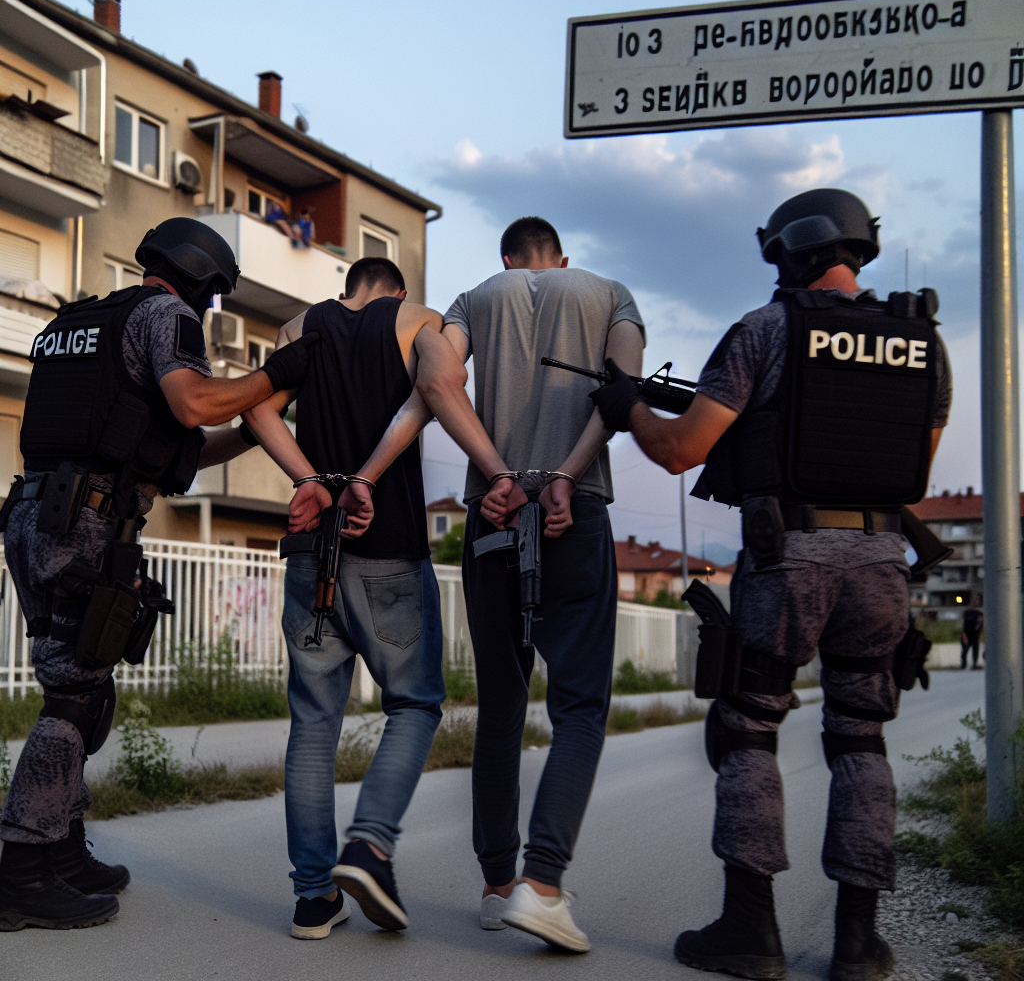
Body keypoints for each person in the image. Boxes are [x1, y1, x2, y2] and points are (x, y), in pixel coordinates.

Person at [590, 189, 951, 981]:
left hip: (790, 555)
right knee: (861, 736)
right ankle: (860, 942)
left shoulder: (766, 329)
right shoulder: (925, 342)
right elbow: (913, 474)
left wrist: (628, 408)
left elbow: (680, 451)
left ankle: (750, 929)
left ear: (789, 250)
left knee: (750, 727)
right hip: (882, 562)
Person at [0, 217, 318, 933]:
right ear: (202, 278)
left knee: (80, 685)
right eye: (215, 293)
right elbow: (194, 403)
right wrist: (277, 374)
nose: (210, 306)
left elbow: (175, 452)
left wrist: (255, 424)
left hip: (38, 514)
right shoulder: (166, 316)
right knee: (75, 697)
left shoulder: (79, 322)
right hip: (83, 521)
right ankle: (20, 871)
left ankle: (61, 848)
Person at [243, 256, 511, 941]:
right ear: (399, 290)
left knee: (313, 723)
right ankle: (368, 844)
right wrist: (370, 477)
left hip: (312, 553)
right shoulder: (418, 321)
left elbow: (258, 407)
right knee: (415, 704)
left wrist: (310, 481)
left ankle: (313, 899)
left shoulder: (301, 326)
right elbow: (438, 386)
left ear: (348, 288)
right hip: (389, 548)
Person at [429, 216, 645, 953]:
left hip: (492, 512)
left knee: (501, 702)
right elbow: (622, 391)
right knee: (579, 706)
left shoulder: (472, 299)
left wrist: (497, 473)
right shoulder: (609, 293)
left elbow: (437, 381)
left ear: (507, 258)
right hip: (571, 511)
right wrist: (565, 475)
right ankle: (543, 883)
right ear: (561, 257)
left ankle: (497, 887)